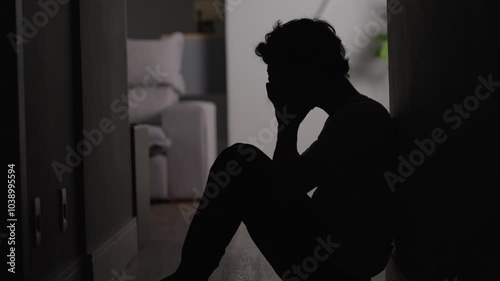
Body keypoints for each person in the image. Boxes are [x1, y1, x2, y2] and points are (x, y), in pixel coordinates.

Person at [162, 18, 395, 281]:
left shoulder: (359, 118)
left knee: (238, 161)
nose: (274, 87)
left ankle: (187, 277)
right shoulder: (351, 114)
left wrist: (288, 125)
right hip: (337, 258)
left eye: (277, 76)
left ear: (305, 70)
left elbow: (286, 187)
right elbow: (290, 181)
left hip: (338, 268)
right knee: (240, 162)